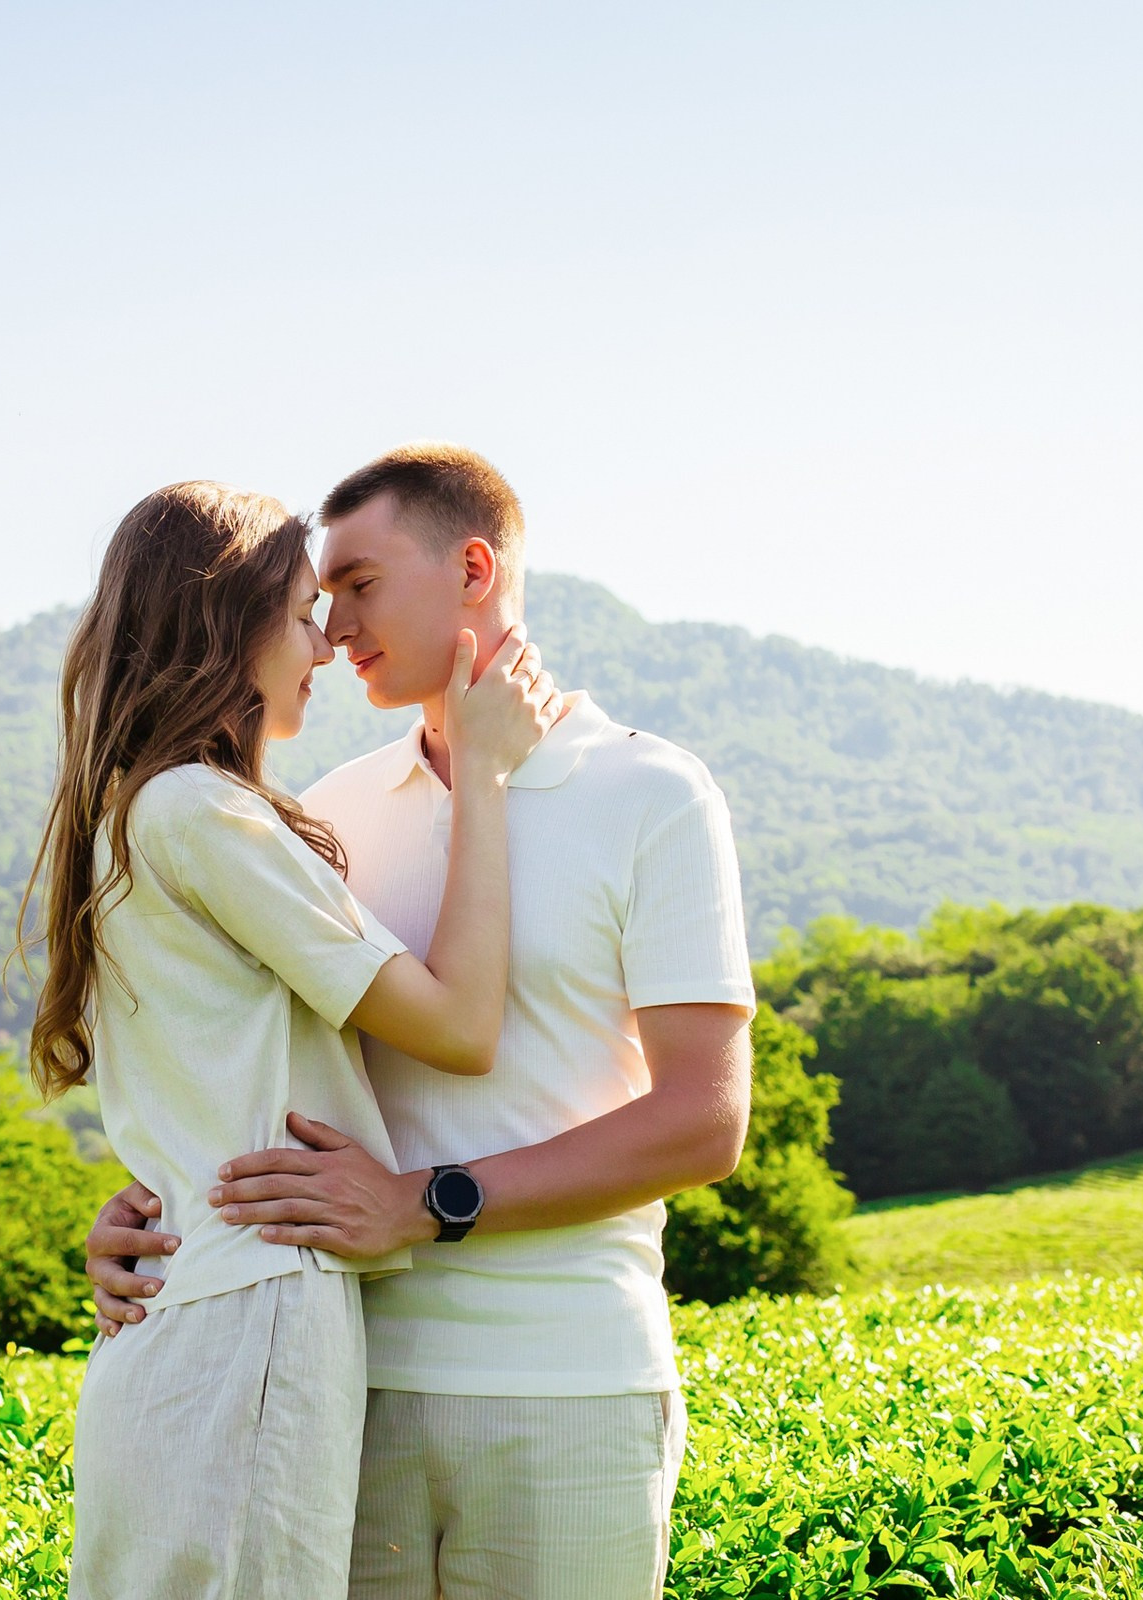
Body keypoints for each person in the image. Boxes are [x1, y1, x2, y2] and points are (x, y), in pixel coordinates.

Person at [84, 445, 756, 1600]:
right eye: (318, 597)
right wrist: (161, 1209)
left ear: (474, 569)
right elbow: (247, 1049)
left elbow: (702, 1121)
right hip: (347, 1383)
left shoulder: (654, 792)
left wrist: (425, 1202)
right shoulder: (319, 810)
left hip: (568, 1379)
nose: (335, 626)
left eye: (358, 583)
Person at [24, 480, 562, 1600]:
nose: (325, 642)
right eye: (304, 609)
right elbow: (462, 1027)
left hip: (182, 1319)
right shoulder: (205, 813)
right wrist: (486, 773)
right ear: (230, 623)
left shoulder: (134, 813)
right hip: (258, 1312)